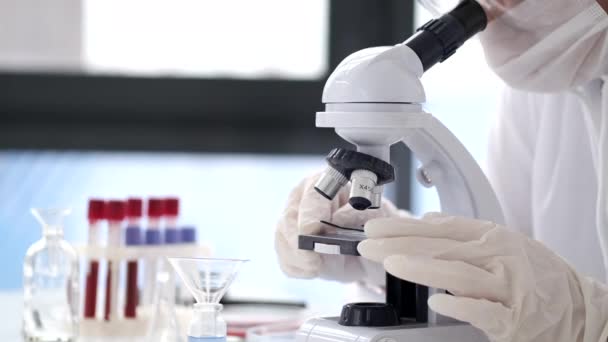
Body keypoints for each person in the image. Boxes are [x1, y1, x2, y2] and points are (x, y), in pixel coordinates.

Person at [275, 1, 608, 341]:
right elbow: (507, 269)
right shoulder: (545, 84)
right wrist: (393, 260)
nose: (493, 8)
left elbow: (548, 305)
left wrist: (588, 322)